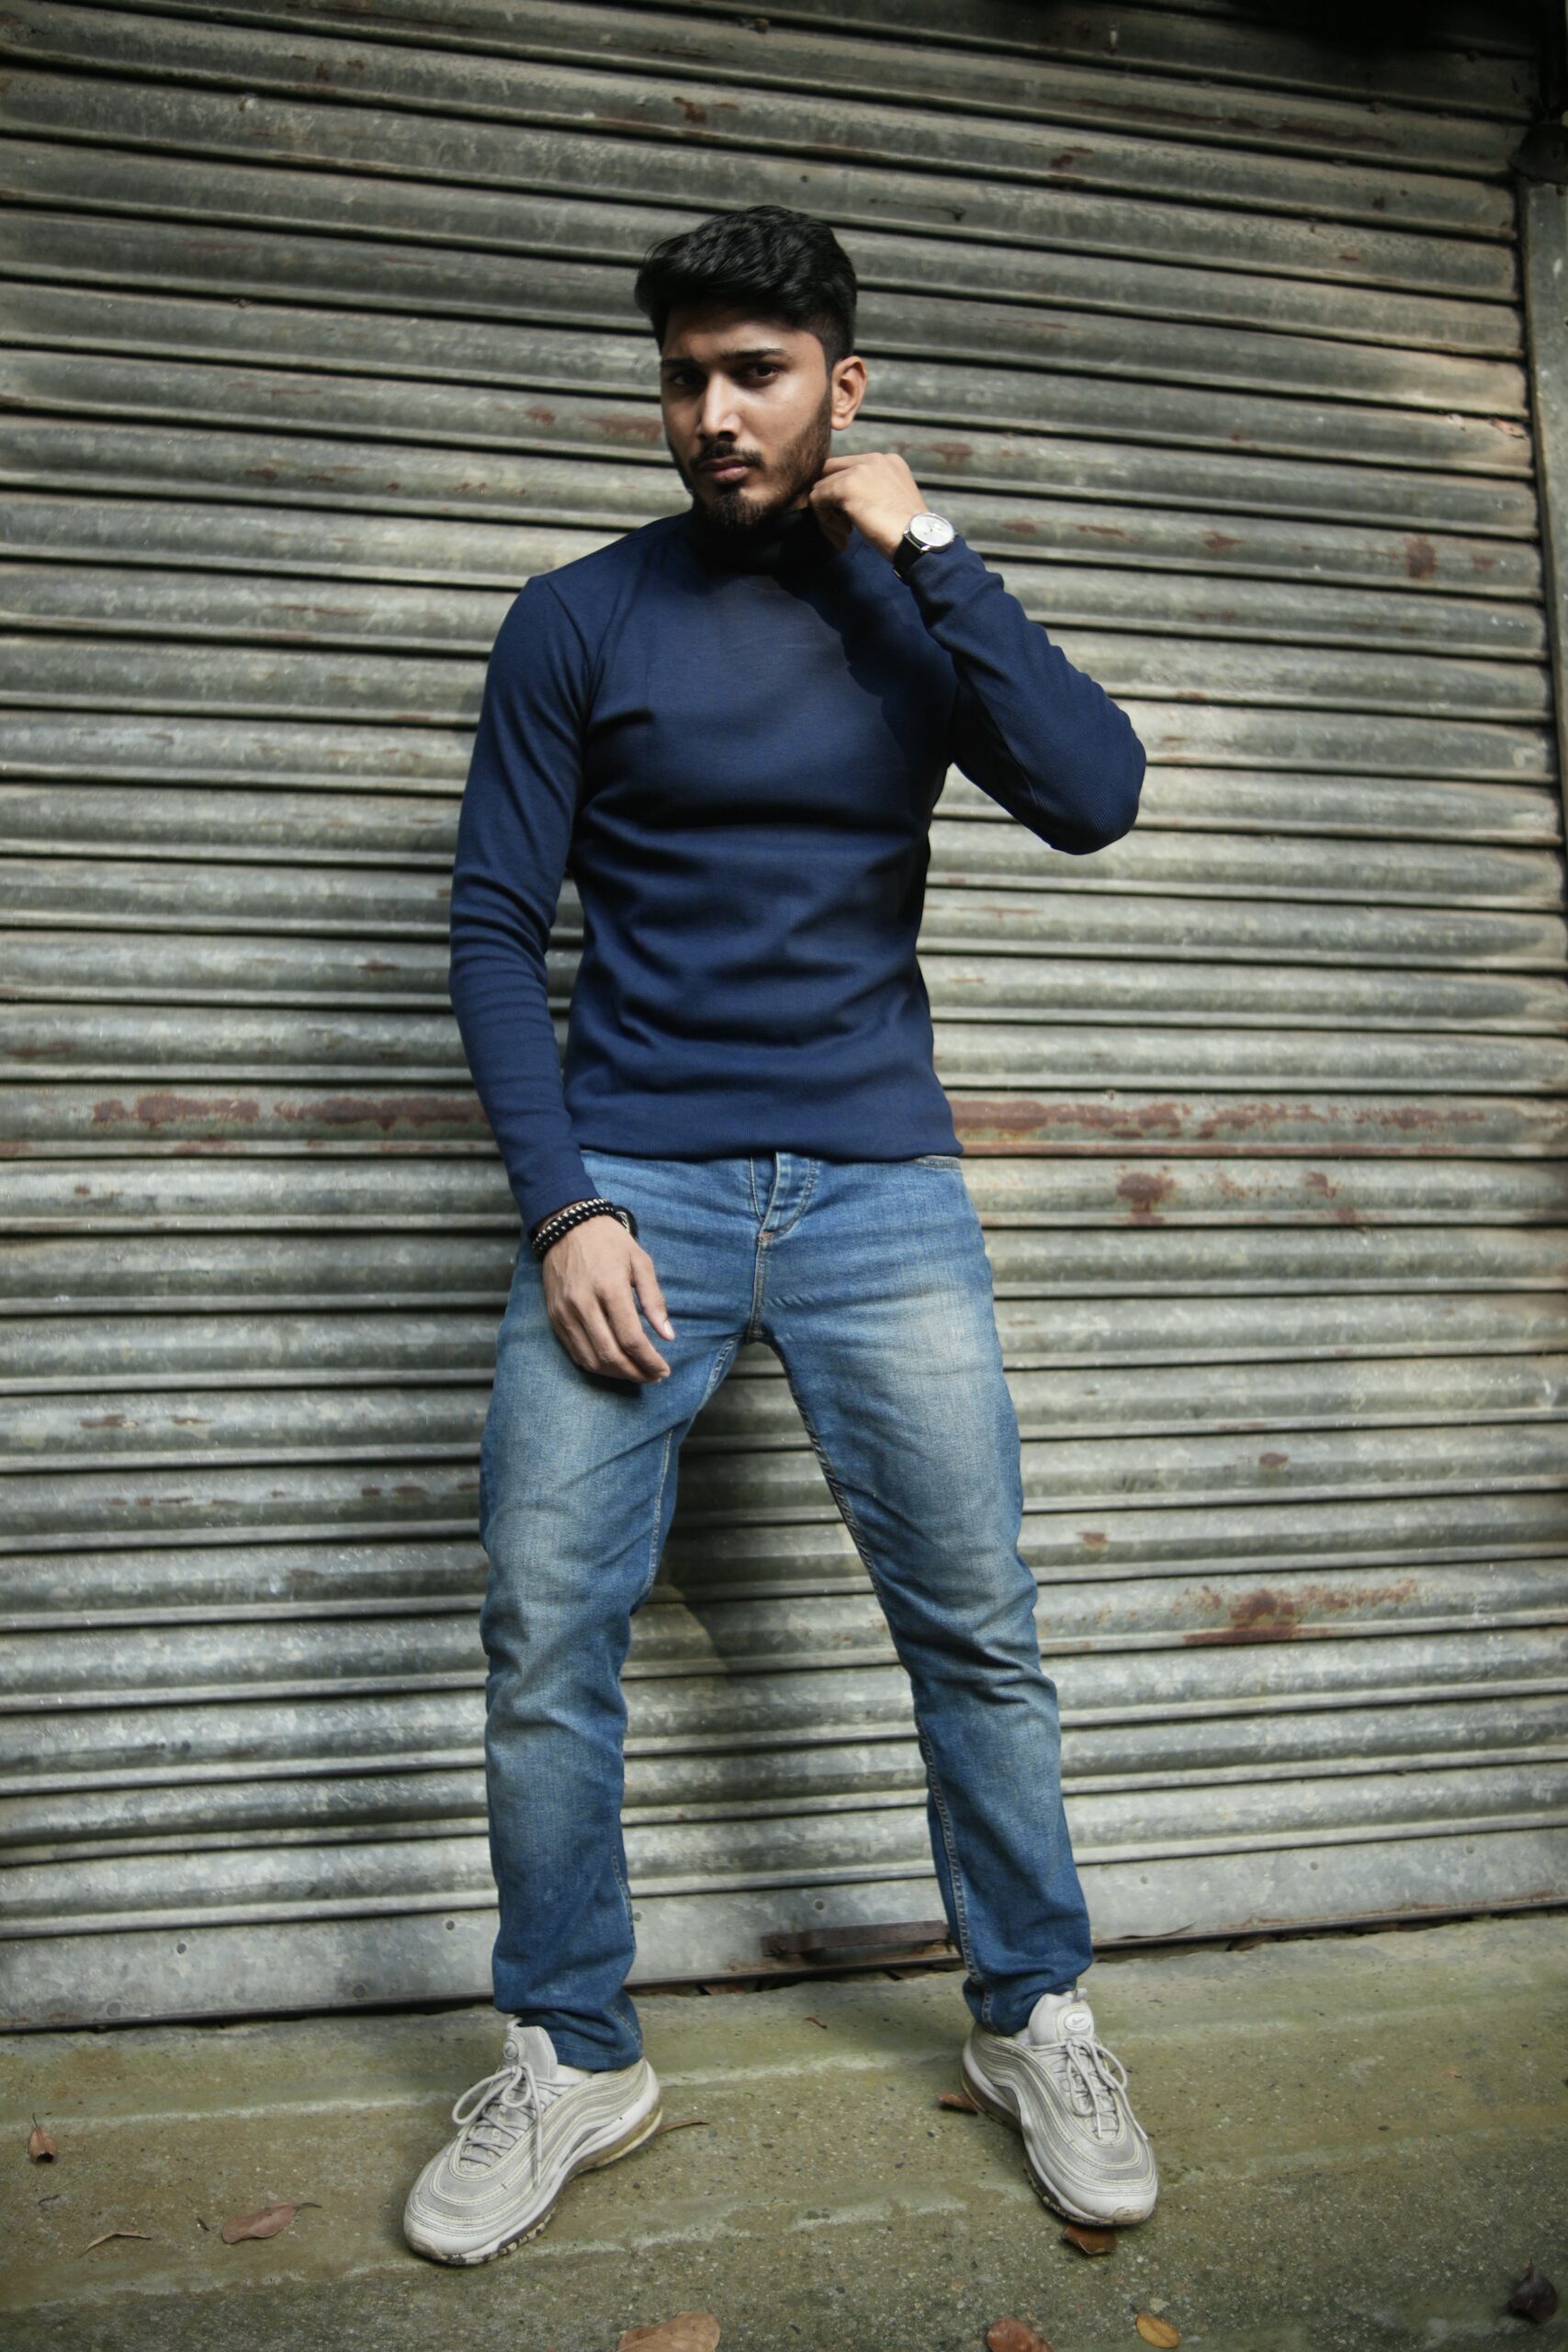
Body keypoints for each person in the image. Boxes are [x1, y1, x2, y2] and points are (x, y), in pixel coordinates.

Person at [403, 204, 1157, 2267]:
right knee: (546, 1634)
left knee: (976, 1629)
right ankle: (573, 2051)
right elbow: (489, 927)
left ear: (846, 382)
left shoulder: (905, 603)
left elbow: (1094, 791)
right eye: (685, 378)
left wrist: (932, 548)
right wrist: (562, 1202)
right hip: (630, 1184)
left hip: (877, 1192)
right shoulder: (576, 616)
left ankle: (1033, 2017)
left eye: (757, 372)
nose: (715, 414)